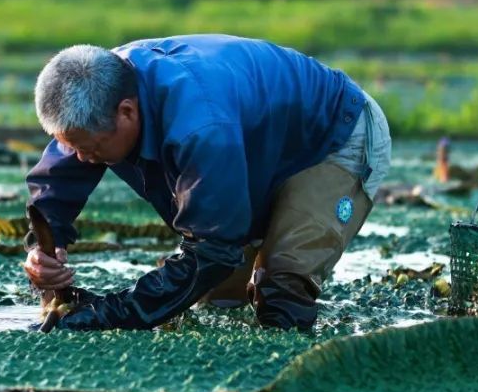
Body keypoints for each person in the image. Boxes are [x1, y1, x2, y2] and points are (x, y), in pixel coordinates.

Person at [22, 34, 391, 331]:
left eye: (91, 148)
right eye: (71, 147)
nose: (82, 158)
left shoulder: (199, 126)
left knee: (281, 287)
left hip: (332, 137)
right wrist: (43, 253)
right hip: (253, 149)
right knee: (219, 299)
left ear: (127, 112)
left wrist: (110, 313)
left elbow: (212, 250)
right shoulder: (96, 95)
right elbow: (52, 189)